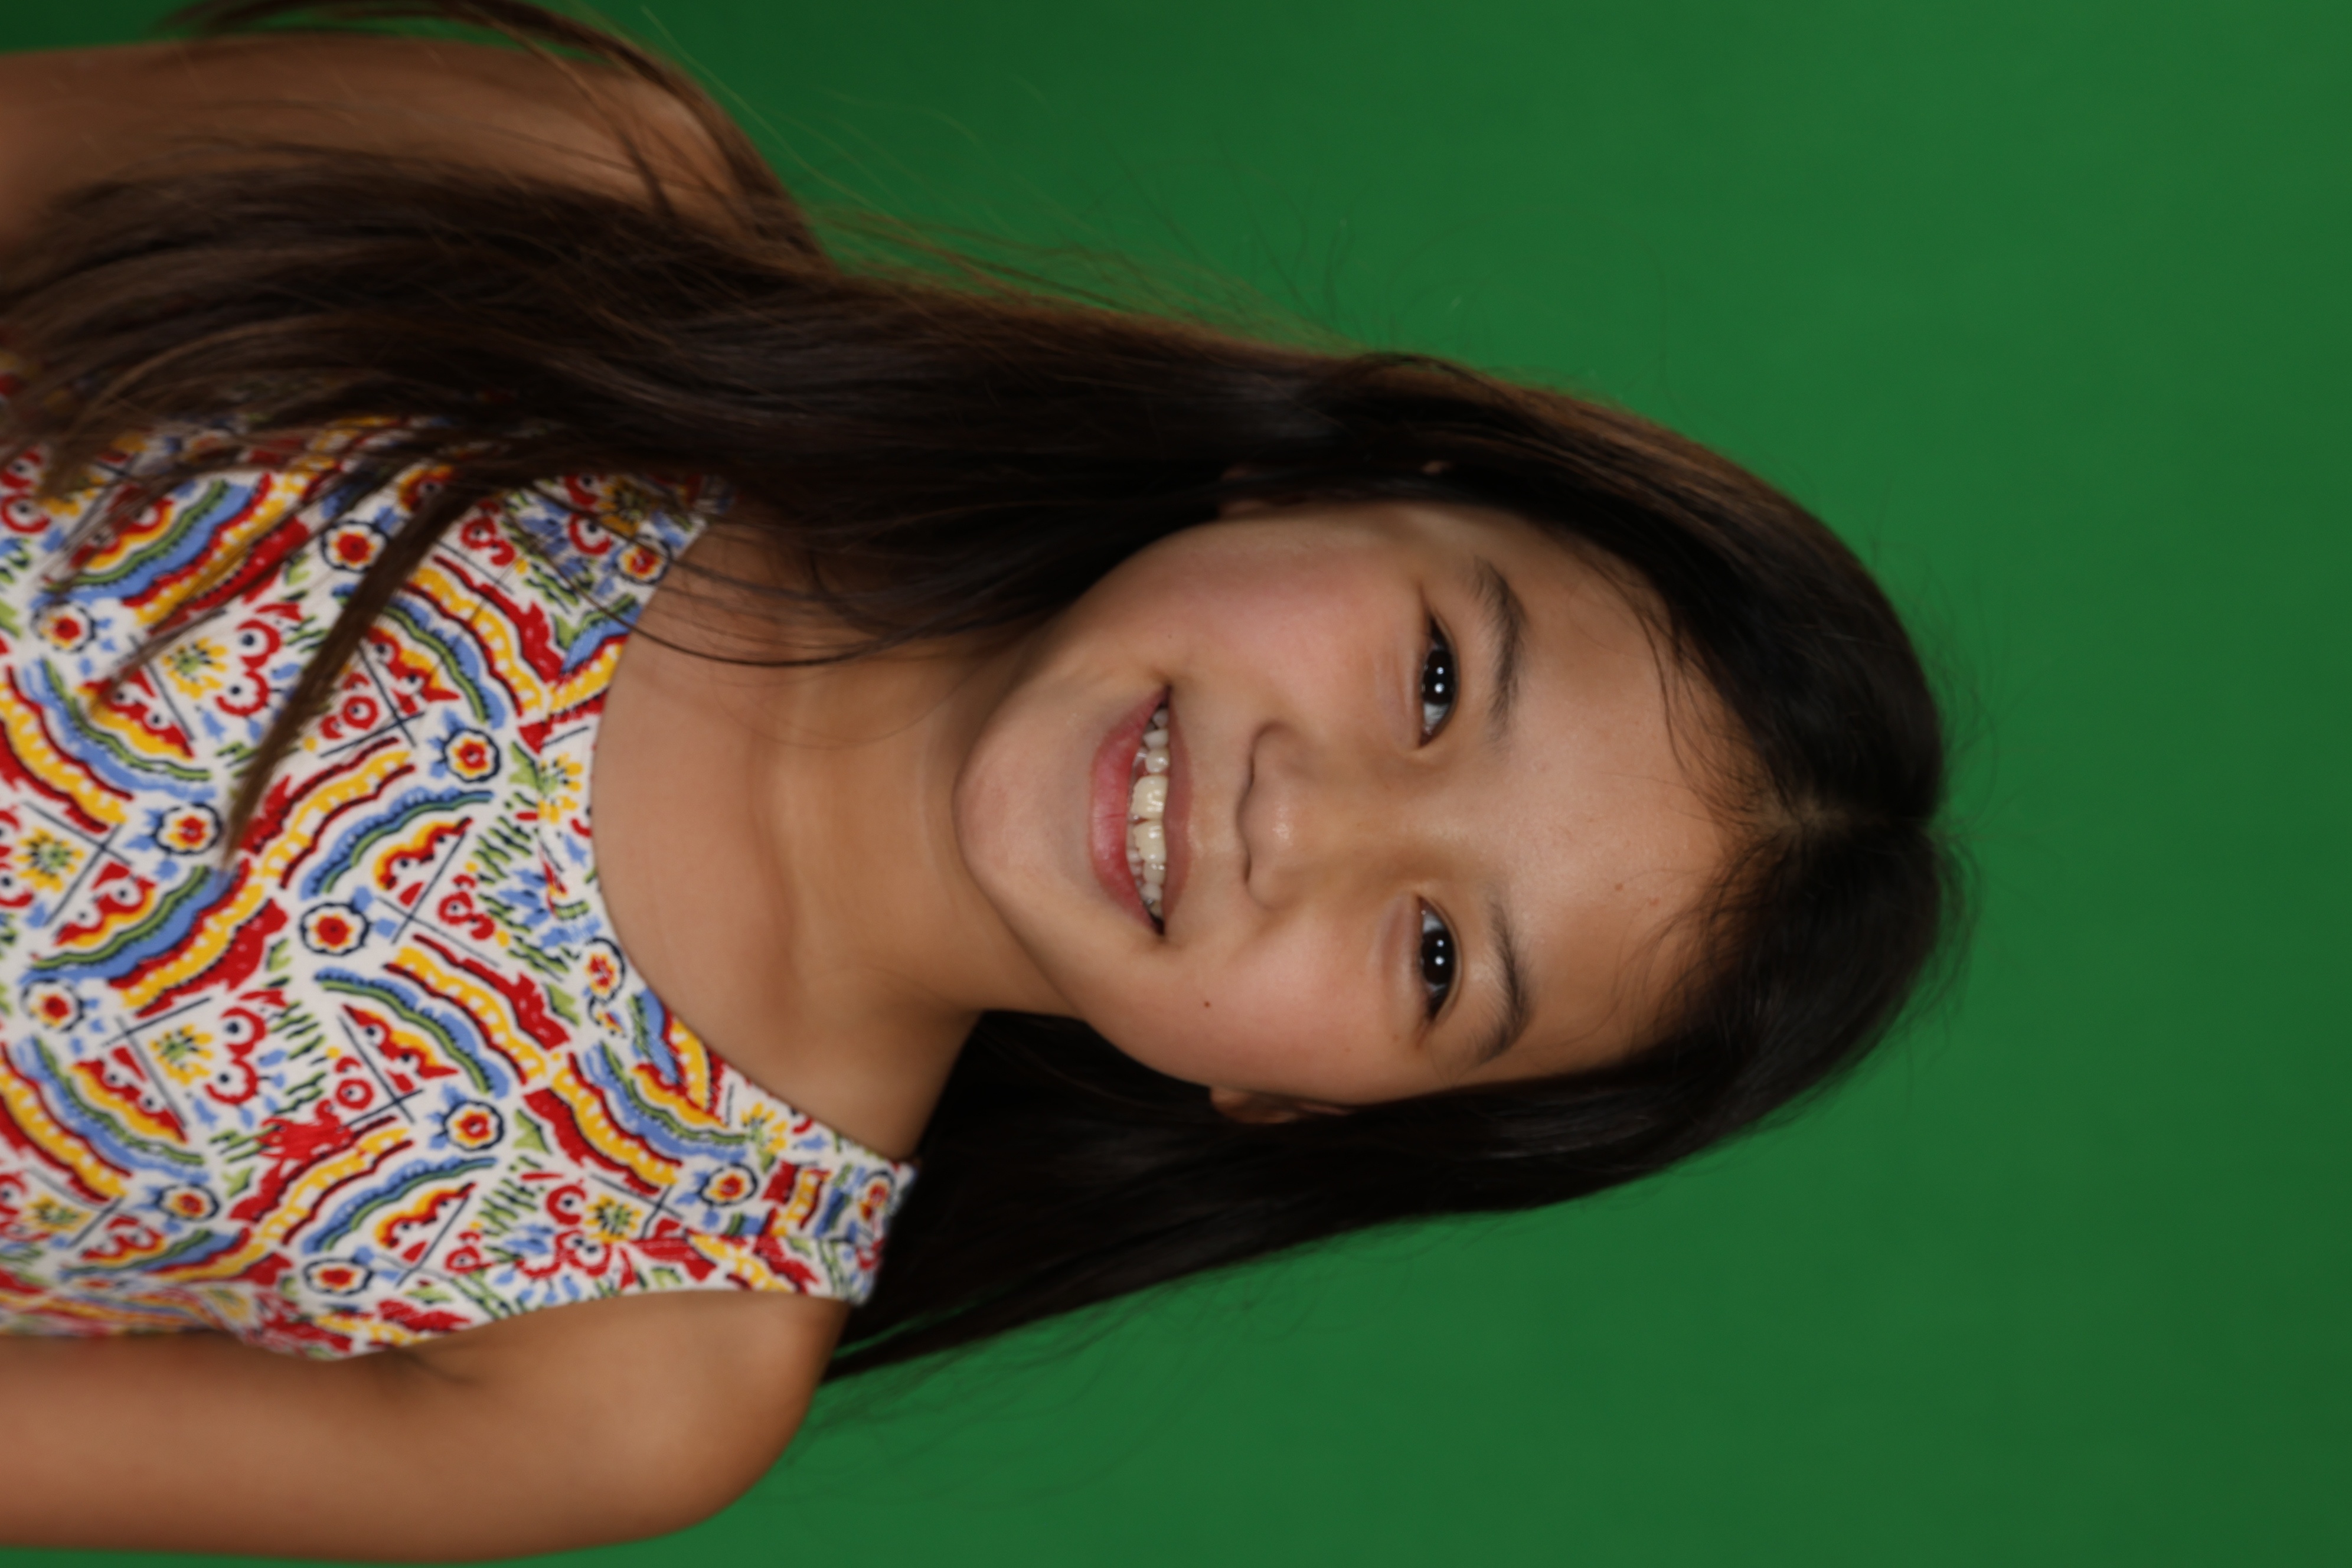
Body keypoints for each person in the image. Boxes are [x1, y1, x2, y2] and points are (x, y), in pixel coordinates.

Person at [0, 1, 1958, 1557]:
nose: (1300, 815)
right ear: (1339, 482)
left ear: (1297, 1104)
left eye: (1439, 957)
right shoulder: (573, 203)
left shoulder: (636, 1369)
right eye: (1437, 676)